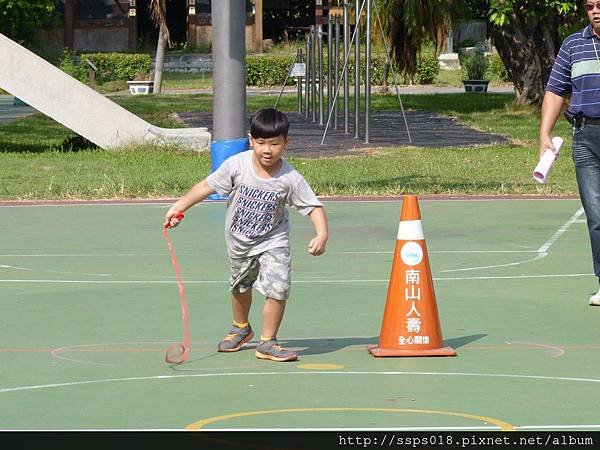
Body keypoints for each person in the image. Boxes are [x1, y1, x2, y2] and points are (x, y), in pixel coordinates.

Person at [164, 108, 329, 361]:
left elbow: (312, 206)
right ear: (250, 139)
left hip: (274, 240)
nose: (267, 150)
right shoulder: (237, 165)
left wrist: (322, 234)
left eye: (274, 143)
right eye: (261, 142)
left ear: (286, 142)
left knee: (278, 287)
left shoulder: (290, 178)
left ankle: (268, 341)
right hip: (240, 242)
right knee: (240, 286)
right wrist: (179, 206)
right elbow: (207, 186)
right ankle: (240, 328)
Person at [540, 0, 600, 306]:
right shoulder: (573, 44)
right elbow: (555, 90)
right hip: (585, 136)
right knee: (596, 215)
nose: (595, 10)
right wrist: (544, 134)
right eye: (590, 5)